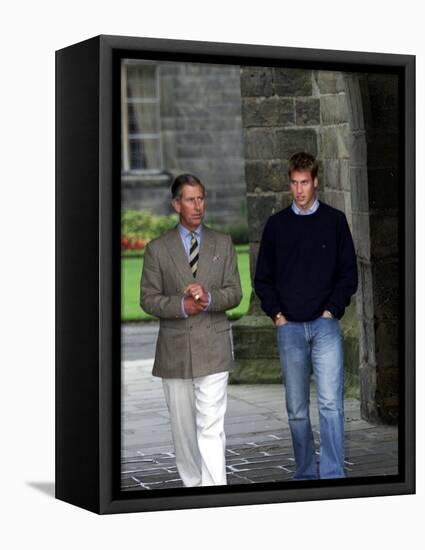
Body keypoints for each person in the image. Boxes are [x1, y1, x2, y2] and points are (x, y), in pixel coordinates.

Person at [254, 152, 358, 480]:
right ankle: (304, 473)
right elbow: (263, 279)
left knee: (330, 405)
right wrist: (278, 316)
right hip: (290, 328)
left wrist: (331, 311)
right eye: (294, 183)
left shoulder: (334, 221)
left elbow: (348, 274)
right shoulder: (276, 225)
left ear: (315, 182)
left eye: (304, 183)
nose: (299, 190)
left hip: (325, 325)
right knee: (297, 410)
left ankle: (332, 474)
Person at [140, 174, 242, 487]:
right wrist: (181, 305)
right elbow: (148, 298)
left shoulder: (223, 243)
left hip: (213, 348)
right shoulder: (157, 249)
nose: (198, 206)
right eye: (190, 199)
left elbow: (235, 293)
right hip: (175, 353)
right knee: (183, 431)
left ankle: (214, 494)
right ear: (176, 204)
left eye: (201, 198)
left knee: (211, 426)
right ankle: (192, 490)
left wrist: (209, 298)